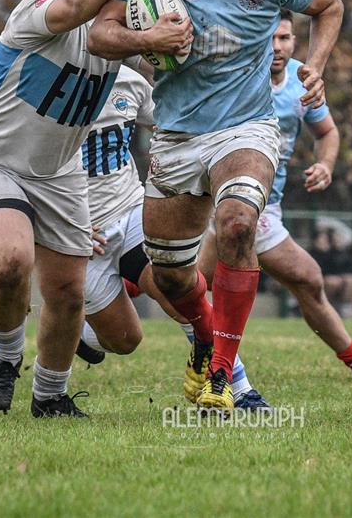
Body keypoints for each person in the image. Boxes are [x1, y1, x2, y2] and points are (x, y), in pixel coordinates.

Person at [89, 0, 345, 412]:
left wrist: (316, 66)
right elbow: (101, 34)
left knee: (237, 225)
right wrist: (147, 38)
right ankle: (206, 344)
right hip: (177, 135)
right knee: (172, 279)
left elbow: (330, 5)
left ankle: (225, 377)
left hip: (245, 127)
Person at [0, 0, 190, 418]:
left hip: (59, 172)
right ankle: (6, 359)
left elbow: (149, 74)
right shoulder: (39, 4)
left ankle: (50, 397)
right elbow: (75, 7)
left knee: (66, 293)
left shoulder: (111, 26)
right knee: (10, 261)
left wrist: (170, 39)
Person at [193, 11, 352, 380]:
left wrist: (325, 164)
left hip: (266, 204)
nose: (277, 47)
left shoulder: (301, 79)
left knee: (188, 282)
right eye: (270, 38)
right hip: (233, 200)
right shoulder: (238, 76)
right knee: (306, 278)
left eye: (285, 39)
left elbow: (327, 132)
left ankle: (111, 298)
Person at [75, 66, 271, 411]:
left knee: (175, 286)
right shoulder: (50, 84)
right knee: (124, 339)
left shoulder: (128, 81)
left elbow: (178, 123)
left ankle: (237, 386)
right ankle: (74, 331)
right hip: (79, 229)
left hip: (130, 209)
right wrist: (62, 221)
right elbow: (23, 165)